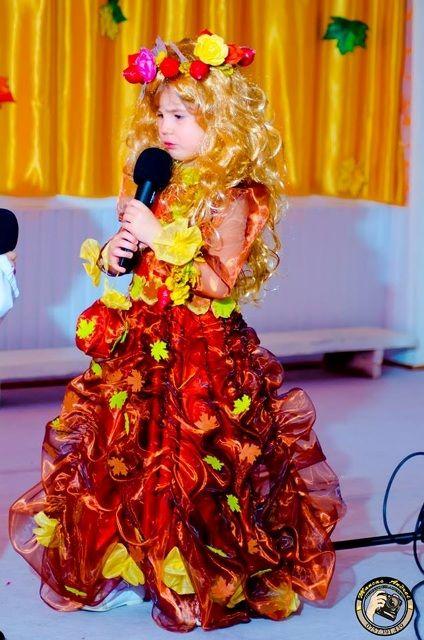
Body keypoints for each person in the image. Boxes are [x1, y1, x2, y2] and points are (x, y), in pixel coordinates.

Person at [9, 31, 347, 632]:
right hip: (143, 341)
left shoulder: (237, 195)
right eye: (161, 114)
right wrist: (119, 252)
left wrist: (160, 236)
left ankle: (193, 569)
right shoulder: (153, 177)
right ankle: (133, 561)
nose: (165, 127)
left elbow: (218, 280)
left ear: (221, 121)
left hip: (201, 353)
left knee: (192, 461)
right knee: (127, 453)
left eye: (181, 116)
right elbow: (134, 260)